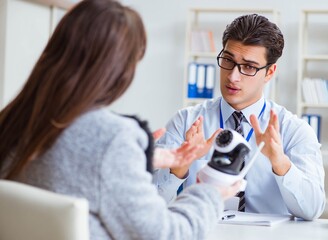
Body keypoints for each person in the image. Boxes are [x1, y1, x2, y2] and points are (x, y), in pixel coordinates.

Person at [0, 0, 241, 239]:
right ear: (119, 70)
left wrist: (142, 157)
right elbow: (167, 234)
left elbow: (69, 158)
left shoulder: (13, 118)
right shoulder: (113, 137)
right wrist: (209, 192)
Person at [154, 14, 326, 220]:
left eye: (249, 67)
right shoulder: (187, 122)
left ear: (270, 72)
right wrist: (179, 166)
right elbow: (147, 204)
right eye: (228, 60)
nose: (233, 76)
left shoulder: (294, 130)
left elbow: (313, 210)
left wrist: (280, 162)